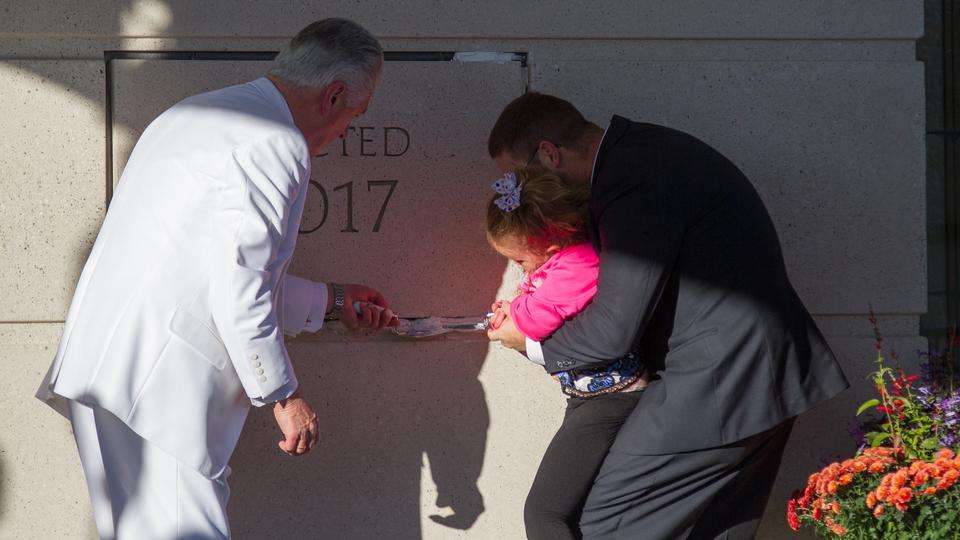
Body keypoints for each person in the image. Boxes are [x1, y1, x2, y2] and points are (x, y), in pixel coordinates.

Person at [35, 18, 395, 539]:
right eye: (353, 118)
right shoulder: (275, 142)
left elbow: (205, 266)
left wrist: (332, 300)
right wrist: (282, 396)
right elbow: (240, 284)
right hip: (163, 395)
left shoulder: (192, 114)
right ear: (334, 95)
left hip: (107, 372)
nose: (344, 136)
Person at [486, 92, 850, 539]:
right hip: (758, 374)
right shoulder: (645, 153)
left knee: (604, 526)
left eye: (521, 178)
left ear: (549, 153)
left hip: (721, 378)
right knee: (714, 530)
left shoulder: (632, 181)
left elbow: (612, 331)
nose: (522, 196)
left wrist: (530, 342)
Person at [485, 166, 647, 539]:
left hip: (610, 401)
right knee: (577, 515)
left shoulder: (580, 263)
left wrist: (514, 319)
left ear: (552, 246)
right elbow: (537, 299)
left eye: (519, 261)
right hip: (594, 398)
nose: (518, 269)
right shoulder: (562, 263)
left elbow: (539, 321)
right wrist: (514, 308)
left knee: (543, 515)